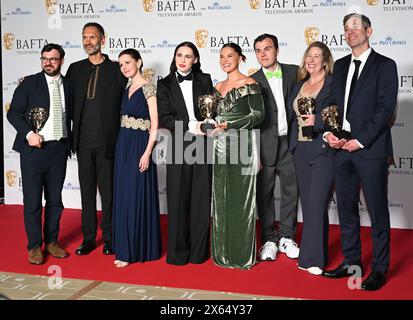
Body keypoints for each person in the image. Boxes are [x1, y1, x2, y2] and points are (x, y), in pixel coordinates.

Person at [323, 13, 398, 291]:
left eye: (355, 27)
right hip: (341, 149)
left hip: (370, 149)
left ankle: (379, 269)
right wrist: (330, 132)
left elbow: (385, 109)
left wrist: (360, 141)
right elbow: (331, 102)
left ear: (369, 31)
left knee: (377, 211)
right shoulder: (341, 65)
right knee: (346, 209)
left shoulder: (385, 65)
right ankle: (352, 262)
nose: (350, 31)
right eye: (346, 28)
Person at [7, 43, 72, 264]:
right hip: (34, 150)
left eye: (52, 59)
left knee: (55, 201)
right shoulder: (29, 83)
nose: (48, 62)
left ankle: (52, 242)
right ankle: (34, 246)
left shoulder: (69, 85)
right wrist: (28, 134)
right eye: (44, 58)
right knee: (33, 201)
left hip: (59, 149)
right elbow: (13, 113)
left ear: (61, 60)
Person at [66, 22, 126, 256]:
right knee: (87, 192)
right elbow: (60, 94)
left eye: (92, 37)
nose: (88, 41)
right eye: (84, 37)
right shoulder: (74, 69)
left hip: (108, 142)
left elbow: (128, 100)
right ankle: (89, 237)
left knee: (108, 193)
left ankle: (110, 237)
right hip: (82, 142)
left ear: (103, 39)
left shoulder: (115, 69)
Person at [157, 41, 213, 265]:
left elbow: (213, 109)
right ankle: (178, 254)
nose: (182, 59)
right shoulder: (164, 84)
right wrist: (192, 126)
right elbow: (164, 117)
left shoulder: (205, 80)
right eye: (179, 55)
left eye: (188, 56)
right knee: (178, 200)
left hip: (203, 144)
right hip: (179, 144)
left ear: (195, 60)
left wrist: (208, 123)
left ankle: (199, 253)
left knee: (201, 200)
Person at [211, 43, 264, 270]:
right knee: (221, 200)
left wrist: (229, 124)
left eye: (230, 56)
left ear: (240, 58)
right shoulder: (217, 86)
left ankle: (242, 255)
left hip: (242, 145)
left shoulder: (250, 84)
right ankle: (222, 254)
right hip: (219, 146)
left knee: (242, 202)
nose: (225, 60)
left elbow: (259, 115)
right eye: (222, 56)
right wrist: (210, 126)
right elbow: (213, 117)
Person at [251, 34, 299, 261]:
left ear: (277, 50)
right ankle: (269, 239)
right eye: (258, 50)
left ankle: (287, 237)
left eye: (267, 49)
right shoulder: (251, 81)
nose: (263, 54)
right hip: (264, 146)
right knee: (264, 195)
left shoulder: (295, 72)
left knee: (291, 192)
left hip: (290, 143)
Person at [112, 49, 161, 268]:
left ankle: (134, 250)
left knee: (135, 196)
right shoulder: (126, 87)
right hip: (123, 144)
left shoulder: (148, 87)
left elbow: (155, 124)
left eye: (128, 62)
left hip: (140, 146)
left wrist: (148, 152)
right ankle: (124, 248)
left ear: (139, 62)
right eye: (121, 64)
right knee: (123, 196)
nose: (124, 67)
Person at [288, 41, 335, 275]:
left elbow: (340, 116)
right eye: (309, 56)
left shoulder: (333, 84)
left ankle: (312, 259)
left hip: (323, 148)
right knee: (308, 206)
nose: (312, 60)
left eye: (317, 56)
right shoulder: (299, 85)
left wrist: (316, 121)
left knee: (316, 204)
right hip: (300, 150)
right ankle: (316, 253)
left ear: (325, 60)